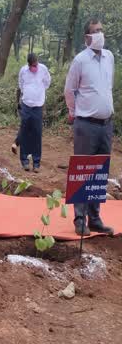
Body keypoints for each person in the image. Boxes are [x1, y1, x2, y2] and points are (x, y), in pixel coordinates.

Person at [64, 18, 115, 237]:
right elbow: (69, 89)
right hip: (86, 124)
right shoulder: (80, 60)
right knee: (83, 171)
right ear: (87, 37)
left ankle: (95, 218)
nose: (100, 35)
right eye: (95, 31)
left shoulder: (109, 57)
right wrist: (75, 112)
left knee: (99, 173)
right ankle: (79, 218)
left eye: (102, 30)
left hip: (106, 125)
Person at [17, 53, 51, 173]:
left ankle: (36, 162)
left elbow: (47, 83)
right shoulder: (23, 71)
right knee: (25, 132)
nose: (34, 67)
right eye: (32, 65)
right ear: (28, 64)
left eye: (35, 64)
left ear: (37, 62)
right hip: (26, 105)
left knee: (37, 133)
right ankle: (25, 161)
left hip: (38, 106)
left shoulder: (43, 70)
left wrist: (39, 92)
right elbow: (20, 85)